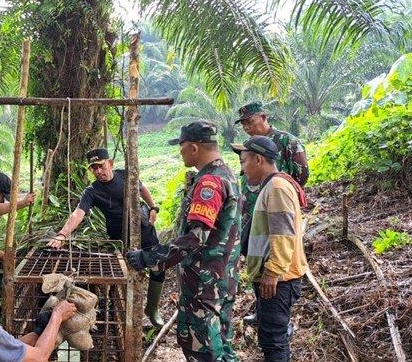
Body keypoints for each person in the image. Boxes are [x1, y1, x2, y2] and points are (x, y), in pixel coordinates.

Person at [125, 121, 241, 361]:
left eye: (181, 147)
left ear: (194, 148)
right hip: (222, 280)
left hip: (204, 285)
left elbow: (194, 238)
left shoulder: (209, 183)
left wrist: (149, 258)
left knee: (204, 351)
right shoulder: (227, 174)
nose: (179, 152)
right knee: (222, 348)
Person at [47, 147, 165, 328]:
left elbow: (142, 189)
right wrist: (63, 234)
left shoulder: (125, 175)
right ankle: (130, 317)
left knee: (158, 268)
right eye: (93, 168)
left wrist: (153, 207)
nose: (98, 171)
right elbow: (78, 213)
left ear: (110, 163)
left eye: (101, 166)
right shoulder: (92, 191)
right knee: (131, 273)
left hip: (144, 228)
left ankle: (152, 309)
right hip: (120, 236)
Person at [232, 136, 308, 362]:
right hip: (277, 278)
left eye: (244, 161)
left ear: (258, 159)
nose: (243, 169)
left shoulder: (276, 187)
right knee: (271, 338)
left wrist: (272, 272)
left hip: (280, 280)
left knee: (274, 341)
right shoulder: (273, 185)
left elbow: (283, 234)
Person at [235, 101, 308, 326]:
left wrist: (280, 196)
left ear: (264, 117)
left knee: (275, 263)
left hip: (276, 209)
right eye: (244, 124)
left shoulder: (286, 141)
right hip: (255, 212)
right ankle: (262, 311)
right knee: (257, 260)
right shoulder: (249, 146)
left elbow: (301, 173)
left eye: (250, 121)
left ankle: (277, 321)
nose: (247, 127)